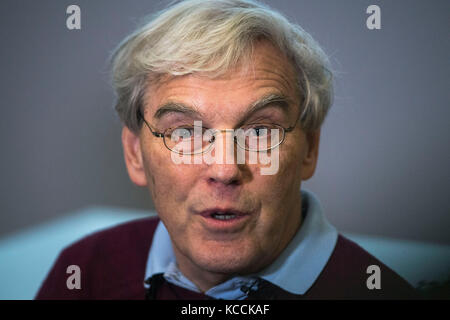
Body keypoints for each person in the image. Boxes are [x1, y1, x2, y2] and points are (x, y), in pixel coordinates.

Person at [36, 0, 418, 299]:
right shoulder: (84, 271)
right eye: (185, 133)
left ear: (309, 149)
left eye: (260, 131)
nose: (224, 168)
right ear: (135, 153)